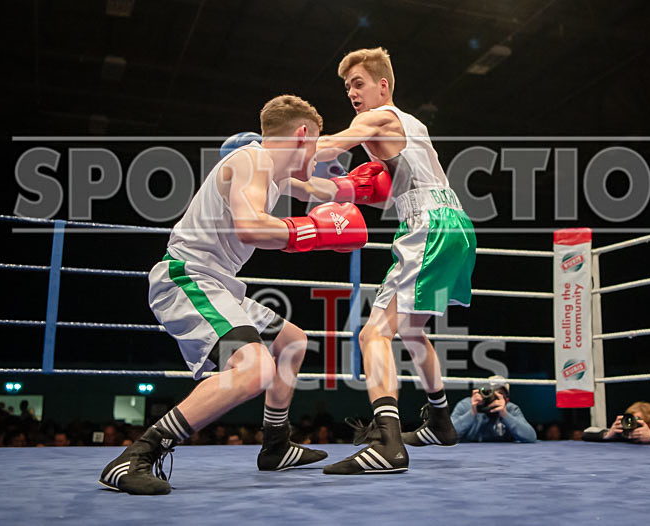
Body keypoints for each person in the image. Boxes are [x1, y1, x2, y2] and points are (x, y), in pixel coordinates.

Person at [99, 94, 370, 495]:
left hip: (217, 283)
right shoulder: (251, 161)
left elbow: (318, 185)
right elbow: (250, 226)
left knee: (292, 342)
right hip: (187, 278)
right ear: (300, 135)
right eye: (314, 144)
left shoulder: (275, 172)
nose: (318, 153)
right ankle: (136, 456)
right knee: (254, 369)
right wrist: (310, 232)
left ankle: (276, 445)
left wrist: (362, 190)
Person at [315, 47, 477, 474]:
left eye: (359, 82)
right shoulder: (413, 123)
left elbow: (330, 146)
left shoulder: (376, 118)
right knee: (411, 328)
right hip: (457, 223)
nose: (352, 92)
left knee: (374, 334)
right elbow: (388, 187)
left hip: (429, 226)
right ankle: (441, 419)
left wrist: (270, 152)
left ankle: (387, 440)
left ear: (382, 85)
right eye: (347, 85)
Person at [450, 377, 536, 443]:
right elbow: (447, 435)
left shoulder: (511, 409)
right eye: (490, 392)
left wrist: (505, 415)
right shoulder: (467, 405)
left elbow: (531, 437)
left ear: (506, 400)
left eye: (499, 394)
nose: (493, 397)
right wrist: (472, 413)